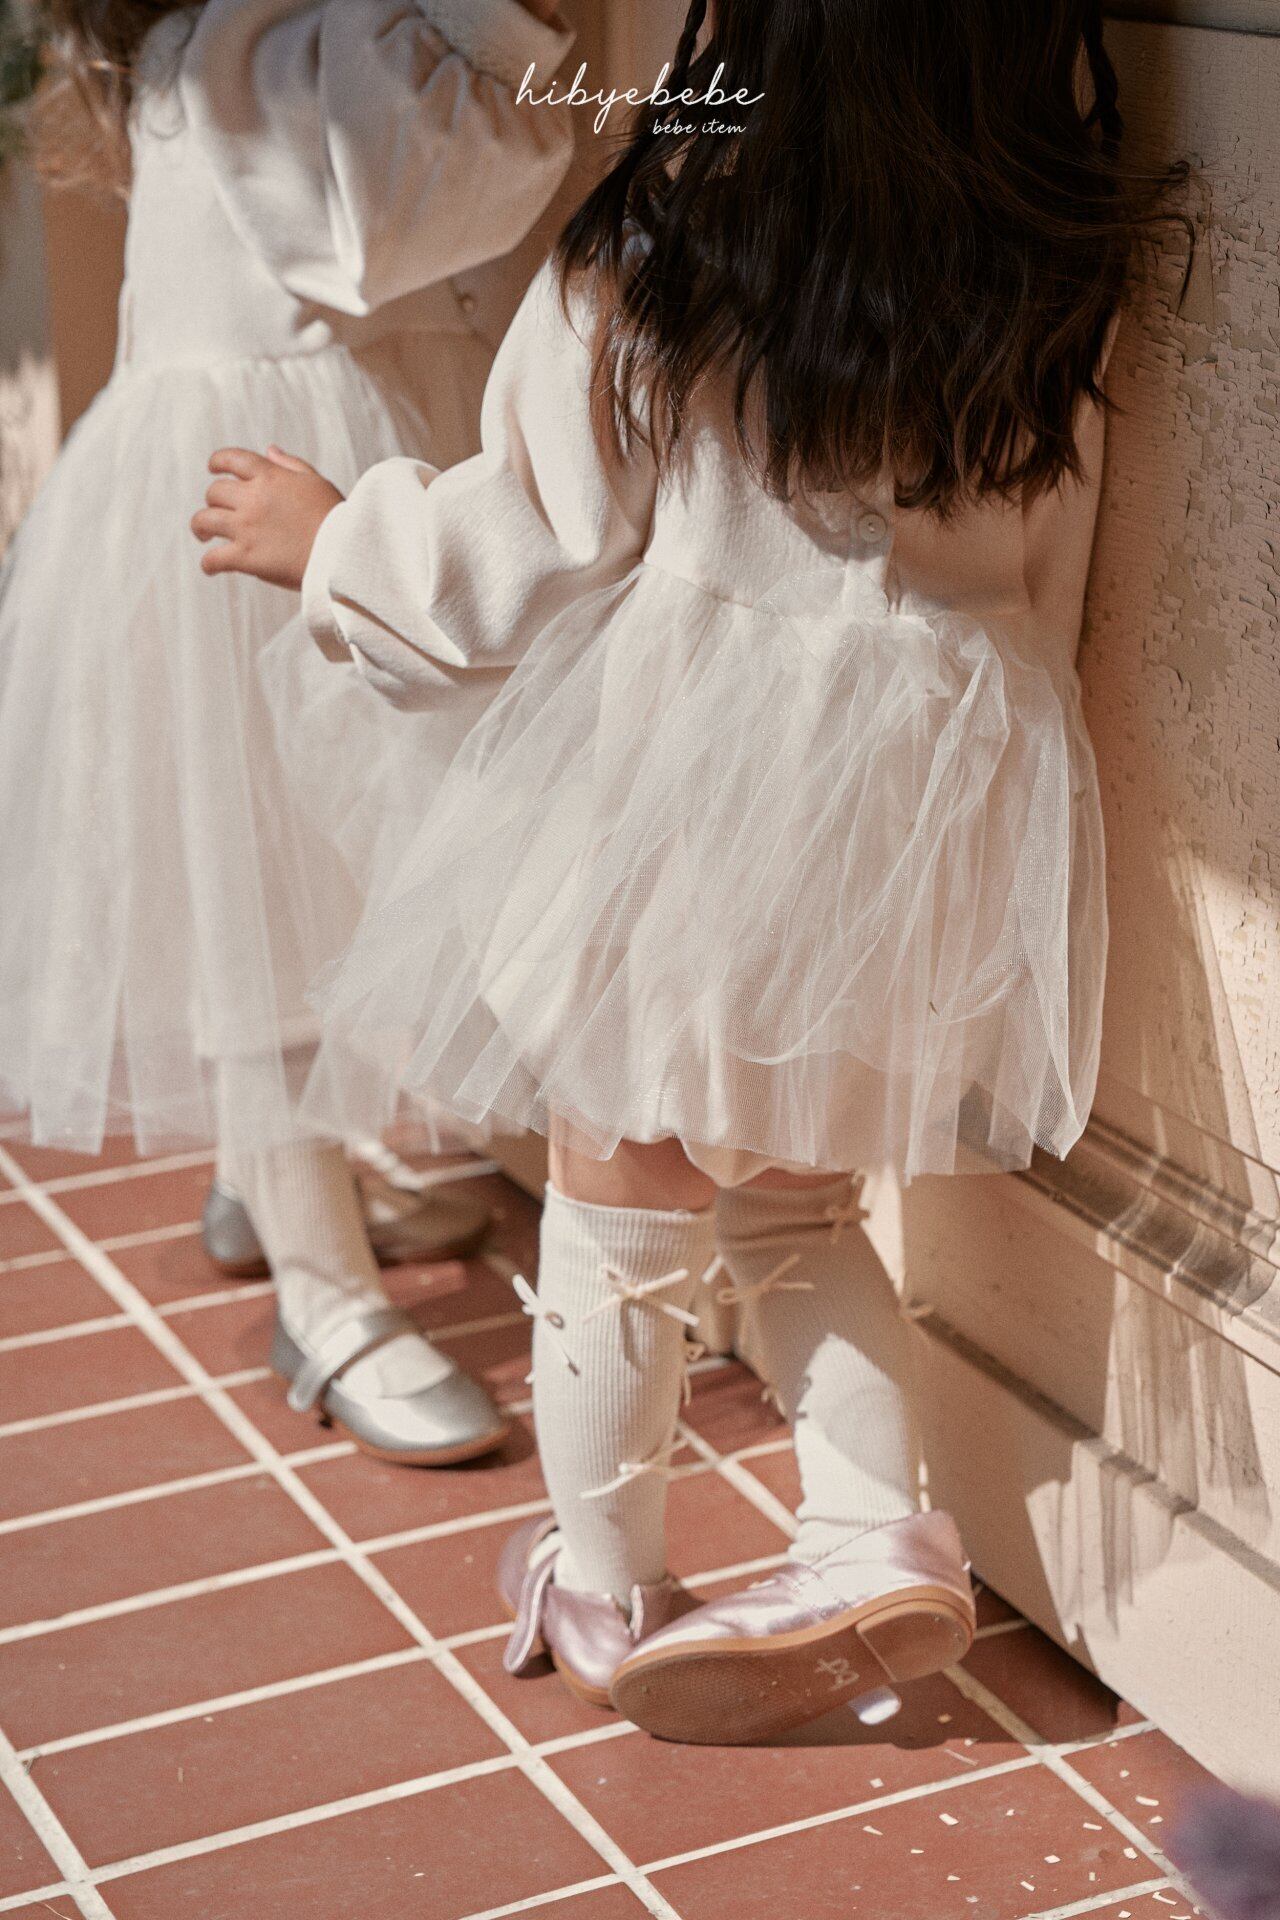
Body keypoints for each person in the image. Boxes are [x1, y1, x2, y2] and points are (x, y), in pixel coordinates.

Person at [197, 0, 1186, 1741]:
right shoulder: (1048, 240)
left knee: (621, 1182)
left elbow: (534, 535)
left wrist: (336, 539)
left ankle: (604, 1583)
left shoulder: (674, 236)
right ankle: (872, 1532)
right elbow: (1055, 558)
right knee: (797, 1196)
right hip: (937, 786)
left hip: (708, 785)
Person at [0, 0, 574, 1466]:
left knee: (344, 866)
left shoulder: (265, 34)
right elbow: (420, 203)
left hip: (348, 471)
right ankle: (322, 1295)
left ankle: (277, 1172)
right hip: (248, 504)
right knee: (255, 886)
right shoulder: (247, 44)